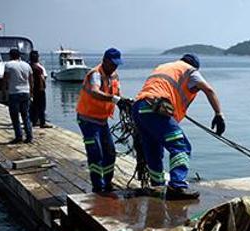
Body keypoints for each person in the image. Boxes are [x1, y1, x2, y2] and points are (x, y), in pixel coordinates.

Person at [132, 53, 225, 199]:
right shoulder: (190, 71)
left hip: (139, 109)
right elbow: (209, 90)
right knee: (181, 146)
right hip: (155, 109)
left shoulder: (164, 67)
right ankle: (177, 186)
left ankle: (157, 186)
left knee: (153, 150)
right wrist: (219, 114)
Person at [75, 48, 124, 193]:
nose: (114, 67)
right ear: (105, 61)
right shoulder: (95, 74)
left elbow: (118, 94)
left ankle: (107, 183)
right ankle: (98, 186)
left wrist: (124, 102)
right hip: (88, 120)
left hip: (102, 120)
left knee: (110, 152)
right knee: (96, 153)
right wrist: (112, 99)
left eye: (117, 64)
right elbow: (95, 92)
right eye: (112, 64)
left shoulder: (114, 75)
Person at [3, 48, 33, 143]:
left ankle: (18, 137)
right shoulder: (26, 65)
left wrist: (4, 92)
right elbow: (31, 80)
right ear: (19, 55)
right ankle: (29, 136)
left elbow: (5, 79)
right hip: (26, 92)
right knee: (26, 115)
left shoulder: (8, 65)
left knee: (15, 116)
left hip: (14, 92)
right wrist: (31, 92)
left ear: (10, 55)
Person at [29, 51, 51, 128]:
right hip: (39, 89)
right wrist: (43, 87)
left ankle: (34, 121)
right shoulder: (39, 68)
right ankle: (42, 122)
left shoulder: (29, 66)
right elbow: (42, 78)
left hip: (31, 89)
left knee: (34, 105)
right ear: (37, 58)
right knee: (42, 106)